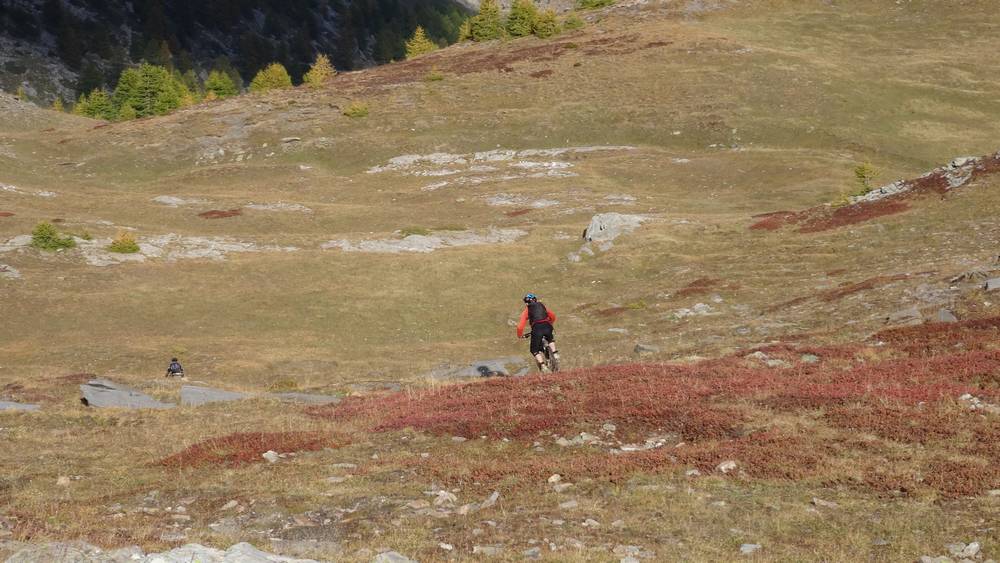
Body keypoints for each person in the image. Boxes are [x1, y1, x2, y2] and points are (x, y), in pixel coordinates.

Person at [516, 293, 559, 372]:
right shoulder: (542, 306)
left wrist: (520, 335)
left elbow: (520, 327)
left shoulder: (527, 310)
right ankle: (555, 353)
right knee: (550, 340)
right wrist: (551, 323)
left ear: (526, 303)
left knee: (534, 350)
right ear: (536, 299)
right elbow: (552, 315)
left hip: (537, 329)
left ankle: (543, 366)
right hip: (548, 326)